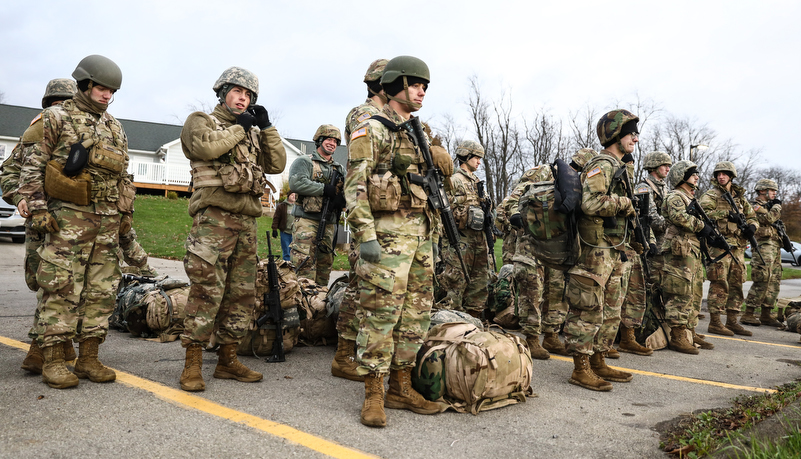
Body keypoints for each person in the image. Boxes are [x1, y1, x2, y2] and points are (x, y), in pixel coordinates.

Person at [345, 55, 453, 427]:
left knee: (415, 315)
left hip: (421, 235)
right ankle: (374, 392)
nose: (422, 91)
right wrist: (365, 235)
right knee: (380, 314)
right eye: (416, 84)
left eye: (425, 86)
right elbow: (355, 184)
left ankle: (400, 386)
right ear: (396, 86)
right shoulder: (372, 128)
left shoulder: (418, 132)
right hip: (387, 239)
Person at [19, 55, 133, 389]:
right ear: (83, 84)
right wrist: (38, 208)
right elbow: (32, 165)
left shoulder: (115, 126)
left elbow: (124, 176)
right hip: (67, 219)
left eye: (111, 90)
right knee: (62, 286)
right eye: (101, 88)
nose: (106, 95)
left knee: (102, 289)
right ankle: (54, 361)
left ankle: (88, 357)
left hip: (107, 222)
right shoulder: (56, 116)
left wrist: (125, 214)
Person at [179, 66, 286, 392]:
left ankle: (227, 359)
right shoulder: (201, 122)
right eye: (238, 92)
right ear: (223, 92)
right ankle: (192, 364)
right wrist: (240, 129)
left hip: (246, 222)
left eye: (249, 95)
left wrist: (265, 127)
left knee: (241, 295)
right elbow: (205, 149)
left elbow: (278, 163)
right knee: (206, 291)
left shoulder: (253, 131)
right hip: (214, 220)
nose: (243, 98)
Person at [563, 109, 640, 391]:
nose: (635, 137)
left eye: (635, 132)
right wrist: (625, 203)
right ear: (616, 135)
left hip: (614, 248)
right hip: (595, 250)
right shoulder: (602, 164)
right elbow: (591, 204)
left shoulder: (620, 166)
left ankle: (599, 360)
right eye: (631, 132)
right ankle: (580, 368)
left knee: (611, 308)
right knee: (588, 307)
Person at [505, 148, 597, 359]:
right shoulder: (544, 173)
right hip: (532, 242)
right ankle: (530, 338)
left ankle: (551, 335)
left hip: (557, 246)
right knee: (532, 290)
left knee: (558, 290)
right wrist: (517, 216)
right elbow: (513, 200)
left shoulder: (582, 186)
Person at [332, 58, 387, 382]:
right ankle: (344, 354)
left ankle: (352, 353)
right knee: (361, 288)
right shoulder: (364, 114)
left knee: (364, 287)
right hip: (369, 212)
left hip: (388, 215)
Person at [659, 160, 714, 353]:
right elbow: (679, 217)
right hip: (679, 252)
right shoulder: (675, 196)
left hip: (692, 250)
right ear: (682, 176)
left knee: (694, 292)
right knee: (680, 292)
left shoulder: (689, 198)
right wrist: (702, 226)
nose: (697, 177)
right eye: (693, 174)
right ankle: (677, 335)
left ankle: (690, 331)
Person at [699, 161, 758, 337]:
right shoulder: (711, 195)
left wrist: (752, 227)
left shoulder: (740, 198)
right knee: (719, 284)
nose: (721, 176)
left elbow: (752, 216)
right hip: (720, 246)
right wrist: (726, 214)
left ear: (731, 176)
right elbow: (702, 213)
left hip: (738, 247)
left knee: (737, 284)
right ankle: (715, 322)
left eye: (724, 174)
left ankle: (732, 321)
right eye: (718, 174)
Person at [436, 140, 491, 317]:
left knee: (480, 281)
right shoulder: (453, 180)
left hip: (479, 240)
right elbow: (442, 209)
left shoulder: (477, 182)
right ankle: (452, 324)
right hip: (459, 240)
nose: (479, 162)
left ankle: (474, 323)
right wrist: (465, 214)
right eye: (476, 157)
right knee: (455, 282)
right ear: (466, 156)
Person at [288, 124, 345, 286]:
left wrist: (341, 198)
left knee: (324, 267)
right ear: (319, 140)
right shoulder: (305, 161)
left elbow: (350, 188)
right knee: (304, 265)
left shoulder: (339, 168)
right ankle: (303, 306)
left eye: (335, 141)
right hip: (307, 221)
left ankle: (320, 305)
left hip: (329, 224)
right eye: (328, 139)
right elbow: (296, 183)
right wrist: (324, 189)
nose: (332, 143)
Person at [742, 179, 784, 327]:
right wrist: (777, 207)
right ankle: (749, 313)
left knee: (774, 279)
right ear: (762, 191)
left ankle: (766, 313)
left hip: (774, 246)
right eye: (772, 190)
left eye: (775, 191)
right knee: (762, 278)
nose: (774, 194)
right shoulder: (755, 206)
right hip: (763, 246)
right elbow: (768, 218)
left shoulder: (770, 206)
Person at [271, 192, 296, 261]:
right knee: (286, 251)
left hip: (295, 233)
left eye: (295, 195)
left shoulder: (298, 206)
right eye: (292, 195)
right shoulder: (282, 206)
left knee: (295, 252)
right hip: (285, 232)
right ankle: (286, 266)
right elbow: (276, 218)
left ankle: (293, 267)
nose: (294, 197)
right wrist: (274, 229)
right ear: (288, 196)